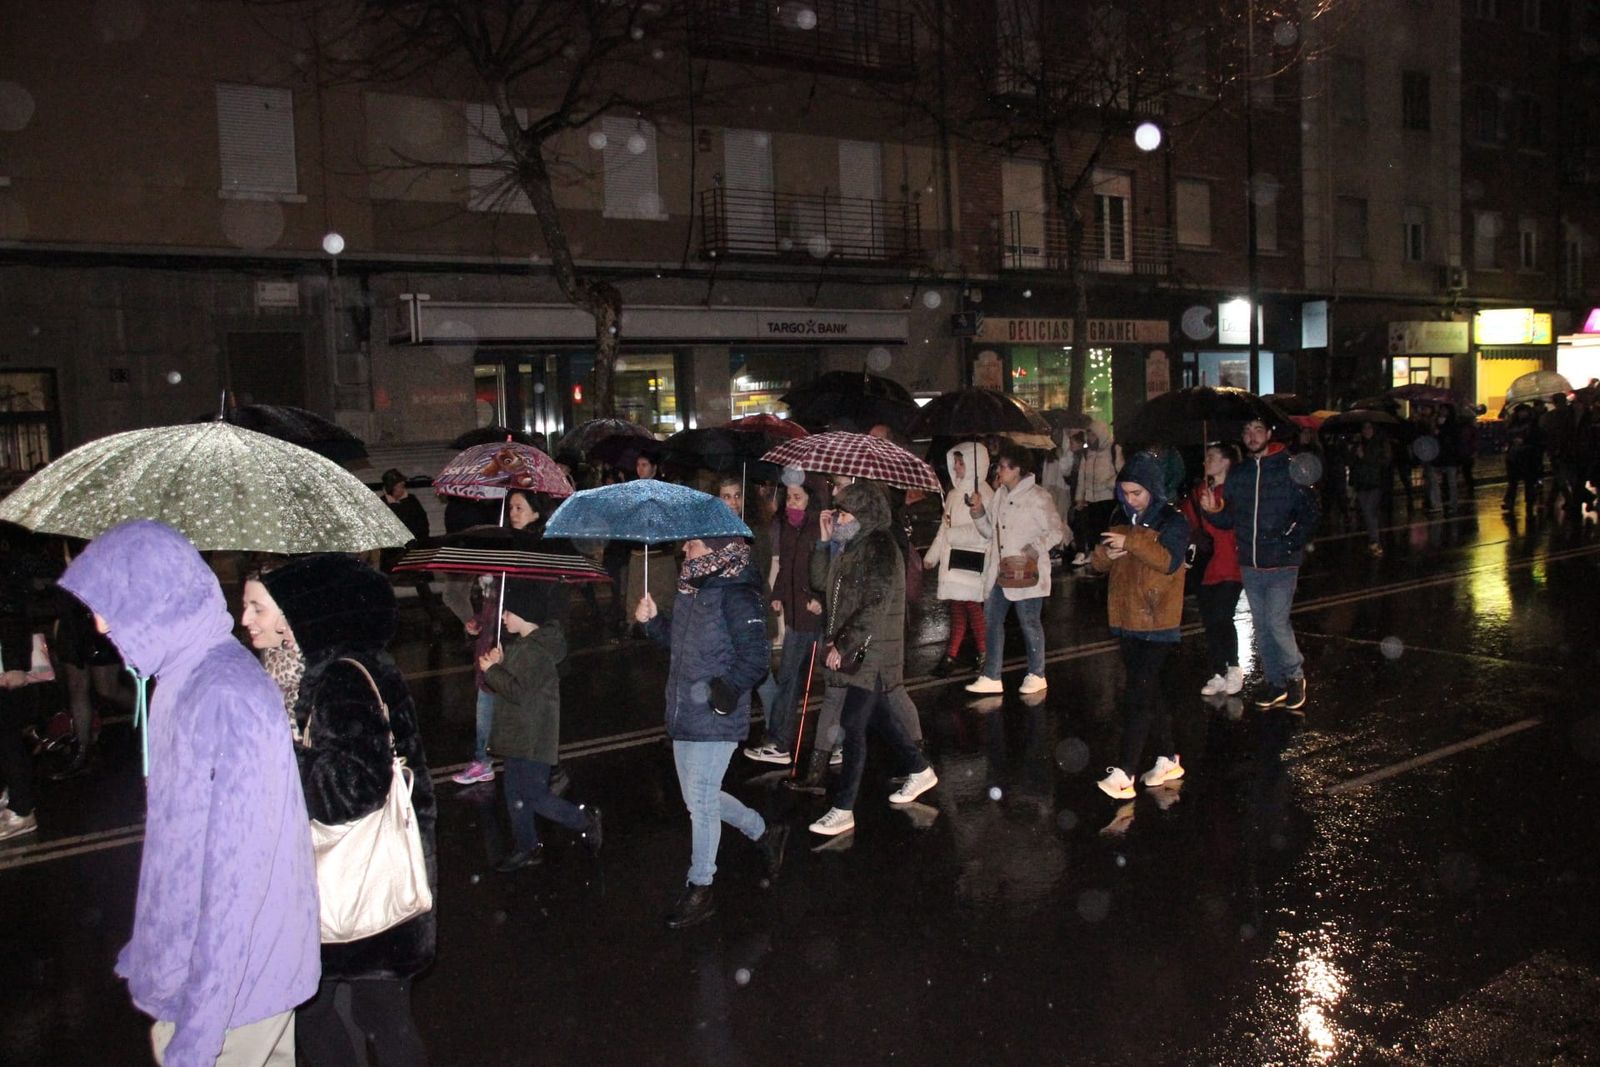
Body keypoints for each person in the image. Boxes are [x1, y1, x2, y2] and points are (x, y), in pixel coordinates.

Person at [60, 520, 320, 1066]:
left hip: (231, 989)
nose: (101, 624)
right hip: (203, 973)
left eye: (113, 605)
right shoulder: (181, 678)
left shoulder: (224, 693)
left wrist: (201, 1027)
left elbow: (237, 882)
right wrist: (153, 944)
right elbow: (179, 848)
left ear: (157, 600)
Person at [258, 555, 436, 1067]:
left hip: (364, 887)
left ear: (298, 616)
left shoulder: (338, 677)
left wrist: (277, 753)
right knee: (364, 1015)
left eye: (257, 606)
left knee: (353, 1015)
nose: (244, 618)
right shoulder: (323, 668)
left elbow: (350, 789)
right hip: (362, 886)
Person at [636, 535, 788, 930]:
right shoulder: (692, 588)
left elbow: (756, 656)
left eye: (695, 545)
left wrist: (725, 693)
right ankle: (763, 830)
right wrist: (654, 623)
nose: (686, 551)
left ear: (718, 550)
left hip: (715, 713)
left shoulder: (737, 591)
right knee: (697, 797)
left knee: (700, 802)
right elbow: (680, 646)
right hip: (685, 708)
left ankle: (701, 886)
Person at [806, 483, 937, 836]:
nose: (837, 518)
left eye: (843, 513)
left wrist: (842, 645)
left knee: (853, 727)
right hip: (861, 650)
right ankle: (920, 769)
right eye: (837, 512)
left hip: (872, 651)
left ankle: (843, 808)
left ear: (862, 515)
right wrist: (823, 542)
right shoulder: (852, 546)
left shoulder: (879, 545)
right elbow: (820, 581)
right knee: (879, 717)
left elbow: (875, 604)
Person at [479, 579, 601, 872]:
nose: (504, 617)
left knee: (534, 796)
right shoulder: (524, 646)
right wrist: (500, 664)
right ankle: (527, 846)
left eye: (508, 612)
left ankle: (584, 820)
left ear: (524, 614)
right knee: (513, 795)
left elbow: (520, 692)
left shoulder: (534, 650)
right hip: (518, 734)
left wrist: (493, 671)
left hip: (533, 737)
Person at [1200, 417, 1320, 712]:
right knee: (1263, 626)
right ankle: (1275, 682)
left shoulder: (1289, 467)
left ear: (1269, 433)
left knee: (1277, 622)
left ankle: (1295, 677)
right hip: (1250, 563)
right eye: (1247, 430)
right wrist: (1213, 512)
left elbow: (1311, 510)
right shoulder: (1240, 474)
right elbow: (1230, 520)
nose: (1252, 436)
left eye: (1257, 430)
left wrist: (1290, 541)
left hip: (1282, 562)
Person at [1091, 454, 1191, 799]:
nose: (1130, 499)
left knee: (1138, 696)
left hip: (1158, 620)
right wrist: (1107, 556)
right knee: (1148, 692)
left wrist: (1132, 542)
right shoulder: (1120, 516)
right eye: (1126, 493)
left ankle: (1124, 772)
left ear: (1152, 489)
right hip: (1126, 619)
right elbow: (1097, 560)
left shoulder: (1171, 520)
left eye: (1137, 493)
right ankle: (1168, 758)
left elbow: (1169, 560)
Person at [455, 488, 546, 786]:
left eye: (520, 508)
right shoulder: (506, 545)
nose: (513, 513)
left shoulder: (534, 550)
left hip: (513, 647)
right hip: (492, 642)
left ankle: (487, 760)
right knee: (492, 703)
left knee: (495, 704)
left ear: (536, 513)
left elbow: (530, 605)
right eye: (511, 508)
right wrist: (478, 621)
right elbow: (495, 602)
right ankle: (490, 759)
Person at [964, 443, 1067, 696]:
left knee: (1029, 622)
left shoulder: (1038, 497)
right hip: (1000, 571)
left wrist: (1034, 548)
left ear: (1017, 469)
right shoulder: (1000, 495)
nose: (998, 470)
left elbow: (1056, 531)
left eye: (1002, 466)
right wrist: (977, 511)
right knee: (992, 621)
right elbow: (990, 532)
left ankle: (1037, 673)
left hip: (1026, 572)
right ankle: (991, 676)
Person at [745, 478, 824, 765]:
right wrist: (778, 595)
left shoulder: (818, 528)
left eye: (797, 497)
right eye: (789, 497)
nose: (791, 502)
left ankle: (785, 742)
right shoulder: (789, 529)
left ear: (810, 500)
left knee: (823, 681)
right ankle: (782, 741)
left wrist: (820, 598)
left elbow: (827, 571)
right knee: (791, 679)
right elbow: (786, 568)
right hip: (794, 615)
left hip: (814, 616)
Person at [1180, 442, 1245, 696]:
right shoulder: (1200, 490)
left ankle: (1234, 667)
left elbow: (1234, 521)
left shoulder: (1235, 490)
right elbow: (1187, 519)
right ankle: (1218, 671)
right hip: (1206, 564)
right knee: (1209, 619)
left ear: (1227, 462)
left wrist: (1215, 508)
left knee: (1222, 616)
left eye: (1212, 456)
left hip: (1230, 563)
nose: (1206, 460)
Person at [924, 442, 993, 676]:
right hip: (953, 562)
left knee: (973, 609)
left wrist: (952, 535)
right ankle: (951, 655)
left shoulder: (984, 494)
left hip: (971, 563)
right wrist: (932, 556)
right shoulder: (954, 494)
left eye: (962, 463)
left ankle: (985, 653)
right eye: (955, 463)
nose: (957, 468)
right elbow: (945, 527)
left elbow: (985, 532)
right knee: (956, 609)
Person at [1070, 419, 1119, 566]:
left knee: (1104, 529)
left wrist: (1108, 483)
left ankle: (1105, 558)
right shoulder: (1088, 454)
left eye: (1092, 436)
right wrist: (1079, 497)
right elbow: (1082, 477)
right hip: (1091, 499)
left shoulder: (1113, 450)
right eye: (1089, 436)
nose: (1090, 439)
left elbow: (1122, 473)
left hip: (1107, 498)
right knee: (1091, 528)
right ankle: (1092, 553)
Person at [1348, 421, 1393, 556]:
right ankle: (1372, 539)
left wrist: (1365, 457)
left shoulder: (1380, 443)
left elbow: (1385, 461)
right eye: (1364, 428)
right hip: (1361, 483)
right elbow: (1350, 462)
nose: (1367, 431)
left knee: (1369, 511)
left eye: (1369, 428)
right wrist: (1352, 451)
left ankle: (1375, 541)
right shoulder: (1359, 444)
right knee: (1366, 512)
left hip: (1375, 482)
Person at [1503, 403, 1542, 514]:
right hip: (1514, 455)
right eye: (1520, 412)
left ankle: (1529, 501)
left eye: (1524, 411)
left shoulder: (1533, 425)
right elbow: (1507, 436)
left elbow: (1537, 439)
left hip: (1528, 455)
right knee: (1512, 481)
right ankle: (1510, 501)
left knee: (1528, 480)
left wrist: (1524, 441)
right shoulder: (1512, 424)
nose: (1522, 414)